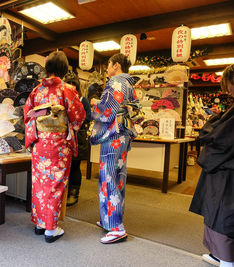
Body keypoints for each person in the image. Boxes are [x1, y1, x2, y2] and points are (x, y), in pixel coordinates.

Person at [190, 61, 234, 267]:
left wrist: (210, 124)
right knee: (226, 212)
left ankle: (228, 260)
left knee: (224, 213)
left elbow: (221, 136)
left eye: (228, 85)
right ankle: (220, 254)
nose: (228, 91)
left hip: (233, 169)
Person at [24, 51, 86, 243]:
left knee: (40, 184)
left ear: (47, 68)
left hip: (41, 144)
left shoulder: (37, 91)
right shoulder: (66, 90)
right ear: (64, 69)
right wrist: (70, 127)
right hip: (59, 145)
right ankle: (51, 229)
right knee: (55, 184)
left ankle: (39, 223)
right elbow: (78, 116)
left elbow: (28, 115)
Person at [90, 53, 138, 244]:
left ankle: (116, 227)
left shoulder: (116, 81)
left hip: (114, 133)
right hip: (123, 133)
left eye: (108, 65)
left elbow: (107, 110)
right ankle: (109, 219)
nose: (107, 70)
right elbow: (134, 107)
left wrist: (95, 105)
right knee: (118, 176)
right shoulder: (129, 84)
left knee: (108, 175)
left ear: (116, 65)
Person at [64, 73, 91, 206]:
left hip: (78, 137)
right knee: (65, 166)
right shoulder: (62, 98)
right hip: (65, 136)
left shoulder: (83, 99)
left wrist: (74, 122)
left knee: (75, 166)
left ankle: (74, 193)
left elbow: (88, 116)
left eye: (73, 86)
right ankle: (65, 191)